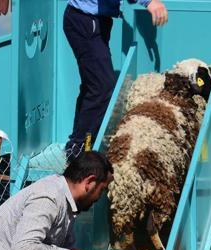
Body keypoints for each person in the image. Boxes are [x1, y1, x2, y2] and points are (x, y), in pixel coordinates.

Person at [64, 0, 168, 161]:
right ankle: (78, 150)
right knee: (102, 86)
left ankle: (77, 145)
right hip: (84, 21)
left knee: (93, 85)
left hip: (96, 22)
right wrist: (148, 2)